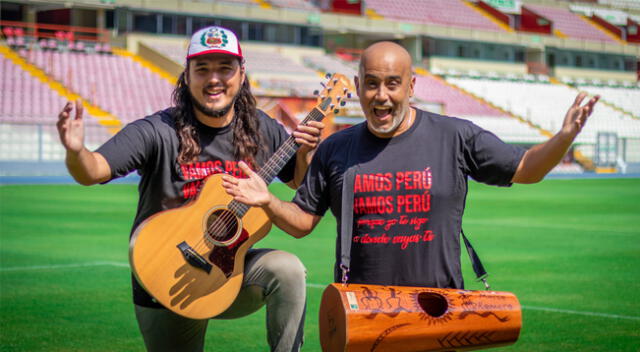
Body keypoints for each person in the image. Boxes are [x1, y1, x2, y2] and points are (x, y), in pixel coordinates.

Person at [222, 41, 599, 291]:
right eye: (371, 84)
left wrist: (563, 137)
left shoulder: (455, 137)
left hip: (438, 311)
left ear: (411, 85)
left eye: (392, 84)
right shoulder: (336, 147)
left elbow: (527, 168)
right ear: (357, 86)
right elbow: (303, 222)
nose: (381, 96)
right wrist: (268, 201)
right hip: (363, 311)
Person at [56, 26, 324, 352]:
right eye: (203, 69)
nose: (214, 78)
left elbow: (296, 182)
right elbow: (93, 170)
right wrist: (75, 151)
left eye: (225, 68)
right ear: (187, 75)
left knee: (288, 269)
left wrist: (306, 154)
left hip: (229, 273)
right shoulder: (158, 130)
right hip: (169, 277)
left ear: (241, 75)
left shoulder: (261, 127)